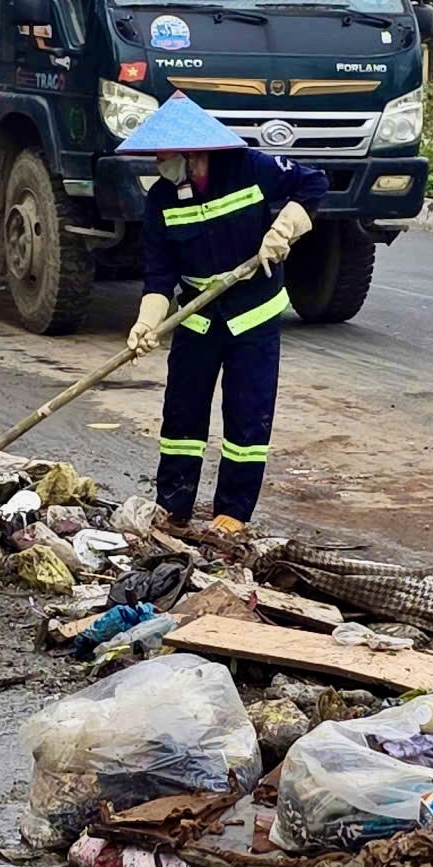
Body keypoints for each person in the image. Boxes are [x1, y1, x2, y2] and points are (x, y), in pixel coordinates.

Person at [121, 93, 326, 535]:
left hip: (254, 316)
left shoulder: (248, 168)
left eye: (164, 155)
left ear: (194, 153)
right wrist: (146, 323)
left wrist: (283, 229)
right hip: (198, 318)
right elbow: (159, 275)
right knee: (182, 413)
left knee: (248, 415)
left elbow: (313, 183)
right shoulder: (161, 200)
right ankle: (173, 505)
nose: (159, 163)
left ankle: (233, 511)